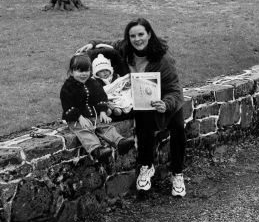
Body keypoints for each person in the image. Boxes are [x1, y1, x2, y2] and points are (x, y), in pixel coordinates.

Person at [76, 18, 186, 197]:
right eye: (132, 36)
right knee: (143, 124)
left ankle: (177, 174)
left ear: (149, 34)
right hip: (141, 100)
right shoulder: (126, 49)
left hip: (166, 101)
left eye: (141, 34)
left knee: (178, 128)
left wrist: (165, 104)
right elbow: (110, 45)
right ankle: (146, 166)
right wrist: (92, 45)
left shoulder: (163, 59)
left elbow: (174, 89)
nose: (137, 39)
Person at [60, 53, 134, 161]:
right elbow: (68, 105)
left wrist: (103, 112)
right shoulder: (68, 87)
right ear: (71, 72)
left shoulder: (92, 83)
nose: (84, 74)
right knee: (84, 131)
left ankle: (120, 142)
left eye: (86, 71)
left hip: (94, 115)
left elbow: (101, 97)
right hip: (76, 119)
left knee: (105, 126)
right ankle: (96, 149)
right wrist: (80, 118)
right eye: (80, 71)